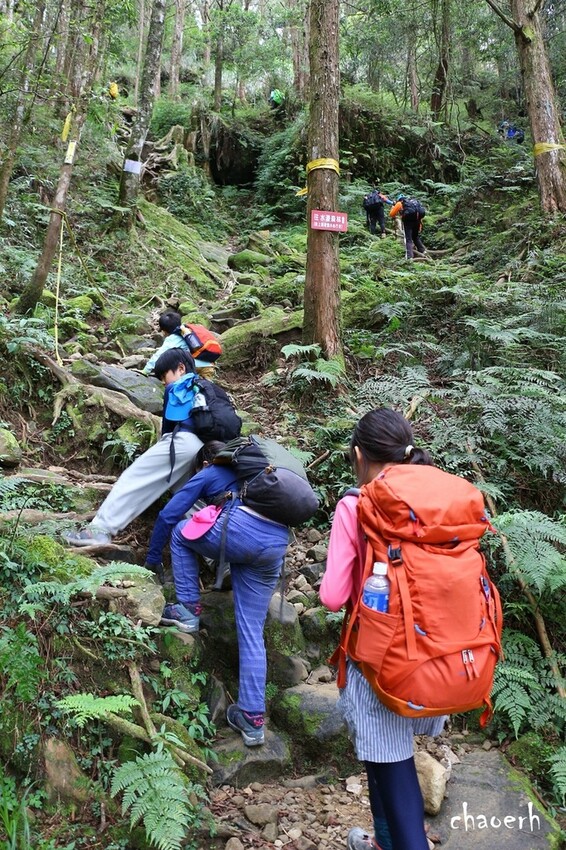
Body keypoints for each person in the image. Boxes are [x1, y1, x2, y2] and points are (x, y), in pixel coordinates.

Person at [319, 408, 445, 850]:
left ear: (359, 455)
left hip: (383, 663)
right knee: (382, 760)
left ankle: (408, 843)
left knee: (393, 767)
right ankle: (384, 843)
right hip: (441, 656)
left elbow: (333, 597)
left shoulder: (357, 505)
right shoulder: (435, 499)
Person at [160, 445, 290, 748]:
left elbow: (173, 517)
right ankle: (252, 721)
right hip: (275, 544)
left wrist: (153, 557)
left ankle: (188, 610)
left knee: (181, 532)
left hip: (244, 531)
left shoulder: (212, 471)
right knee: (251, 632)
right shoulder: (262, 480)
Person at [63, 350, 239, 548]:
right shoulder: (211, 390)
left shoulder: (180, 386)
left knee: (135, 477)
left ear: (181, 368)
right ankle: (219, 553)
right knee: (189, 498)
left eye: (165, 376)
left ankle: (99, 531)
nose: (164, 382)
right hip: (205, 451)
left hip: (183, 443)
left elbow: (168, 430)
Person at [389, 194, 426, 260]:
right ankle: (423, 251)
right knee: (415, 236)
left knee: (408, 239)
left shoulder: (400, 203)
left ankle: (409, 257)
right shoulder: (413, 203)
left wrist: (393, 207)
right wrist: (420, 226)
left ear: (399, 199)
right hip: (417, 221)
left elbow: (391, 214)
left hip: (408, 222)